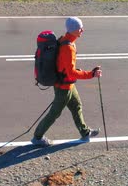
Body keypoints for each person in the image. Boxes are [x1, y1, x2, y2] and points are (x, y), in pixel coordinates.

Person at [31, 17, 102, 147]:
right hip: (63, 87)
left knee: (76, 106)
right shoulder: (68, 47)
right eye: (80, 28)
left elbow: (65, 68)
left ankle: (85, 132)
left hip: (68, 83)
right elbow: (71, 72)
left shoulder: (65, 40)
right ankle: (37, 137)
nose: (82, 30)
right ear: (74, 30)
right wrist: (91, 74)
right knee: (54, 113)